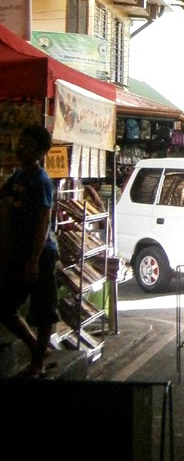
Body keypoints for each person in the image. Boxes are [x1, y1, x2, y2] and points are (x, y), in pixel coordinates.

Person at [0, 125, 59, 377]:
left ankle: (37, 364)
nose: (21, 147)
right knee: (5, 307)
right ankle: (37, 349)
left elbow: (44, 220)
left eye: (29, 145)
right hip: (19, 252)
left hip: (41, 253)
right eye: (21, 142)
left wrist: (33, 260)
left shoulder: (41, 180)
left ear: (41, 152)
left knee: (43, 309)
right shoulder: (17, 178)